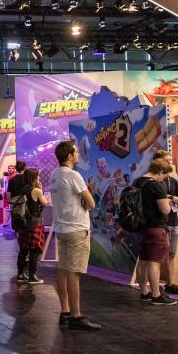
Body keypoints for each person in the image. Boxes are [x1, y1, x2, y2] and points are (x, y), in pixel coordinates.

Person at [49, 140, 102, 331]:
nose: (78, 154)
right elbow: (91, 203)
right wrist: (84, 199)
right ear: (70, 156)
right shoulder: (74, 175)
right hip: (76, 229)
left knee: (63, 270)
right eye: (76, 152)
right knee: (74, 273)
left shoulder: (54, 175)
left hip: (62, 229)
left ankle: (65, 311)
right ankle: (76, 315)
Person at [132, 161, 177, 306]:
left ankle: (144, 292)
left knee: (143, 260)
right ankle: (156, 295)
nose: (164, 178)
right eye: (164, 175)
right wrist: (169, 202)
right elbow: (165, 210)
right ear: (160, 171)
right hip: (156, 227)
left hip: (142, 227)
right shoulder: (156, 186)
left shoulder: (137, 182)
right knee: (155, 262)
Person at [152, 150, 178, 296]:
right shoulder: (154, 182)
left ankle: (170, 283)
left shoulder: (172, 181)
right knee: (157, 257)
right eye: (167, 160)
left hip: (174, 222)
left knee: (171, 254)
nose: (170, 162)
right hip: (161, 224)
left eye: (170, 160)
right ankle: (155, 288)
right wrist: (169, 200)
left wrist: (171, 198)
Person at [15, 169, 49, 285]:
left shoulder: (23, 189)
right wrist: (41, 190)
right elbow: (45, 203)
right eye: (38, 176)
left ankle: (20, 274)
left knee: (23, 249)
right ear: (33, 178)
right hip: (34, 223)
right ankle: (32, 276)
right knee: (35, 249)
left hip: (24, 222)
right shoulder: (36, 191)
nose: (39, 178)